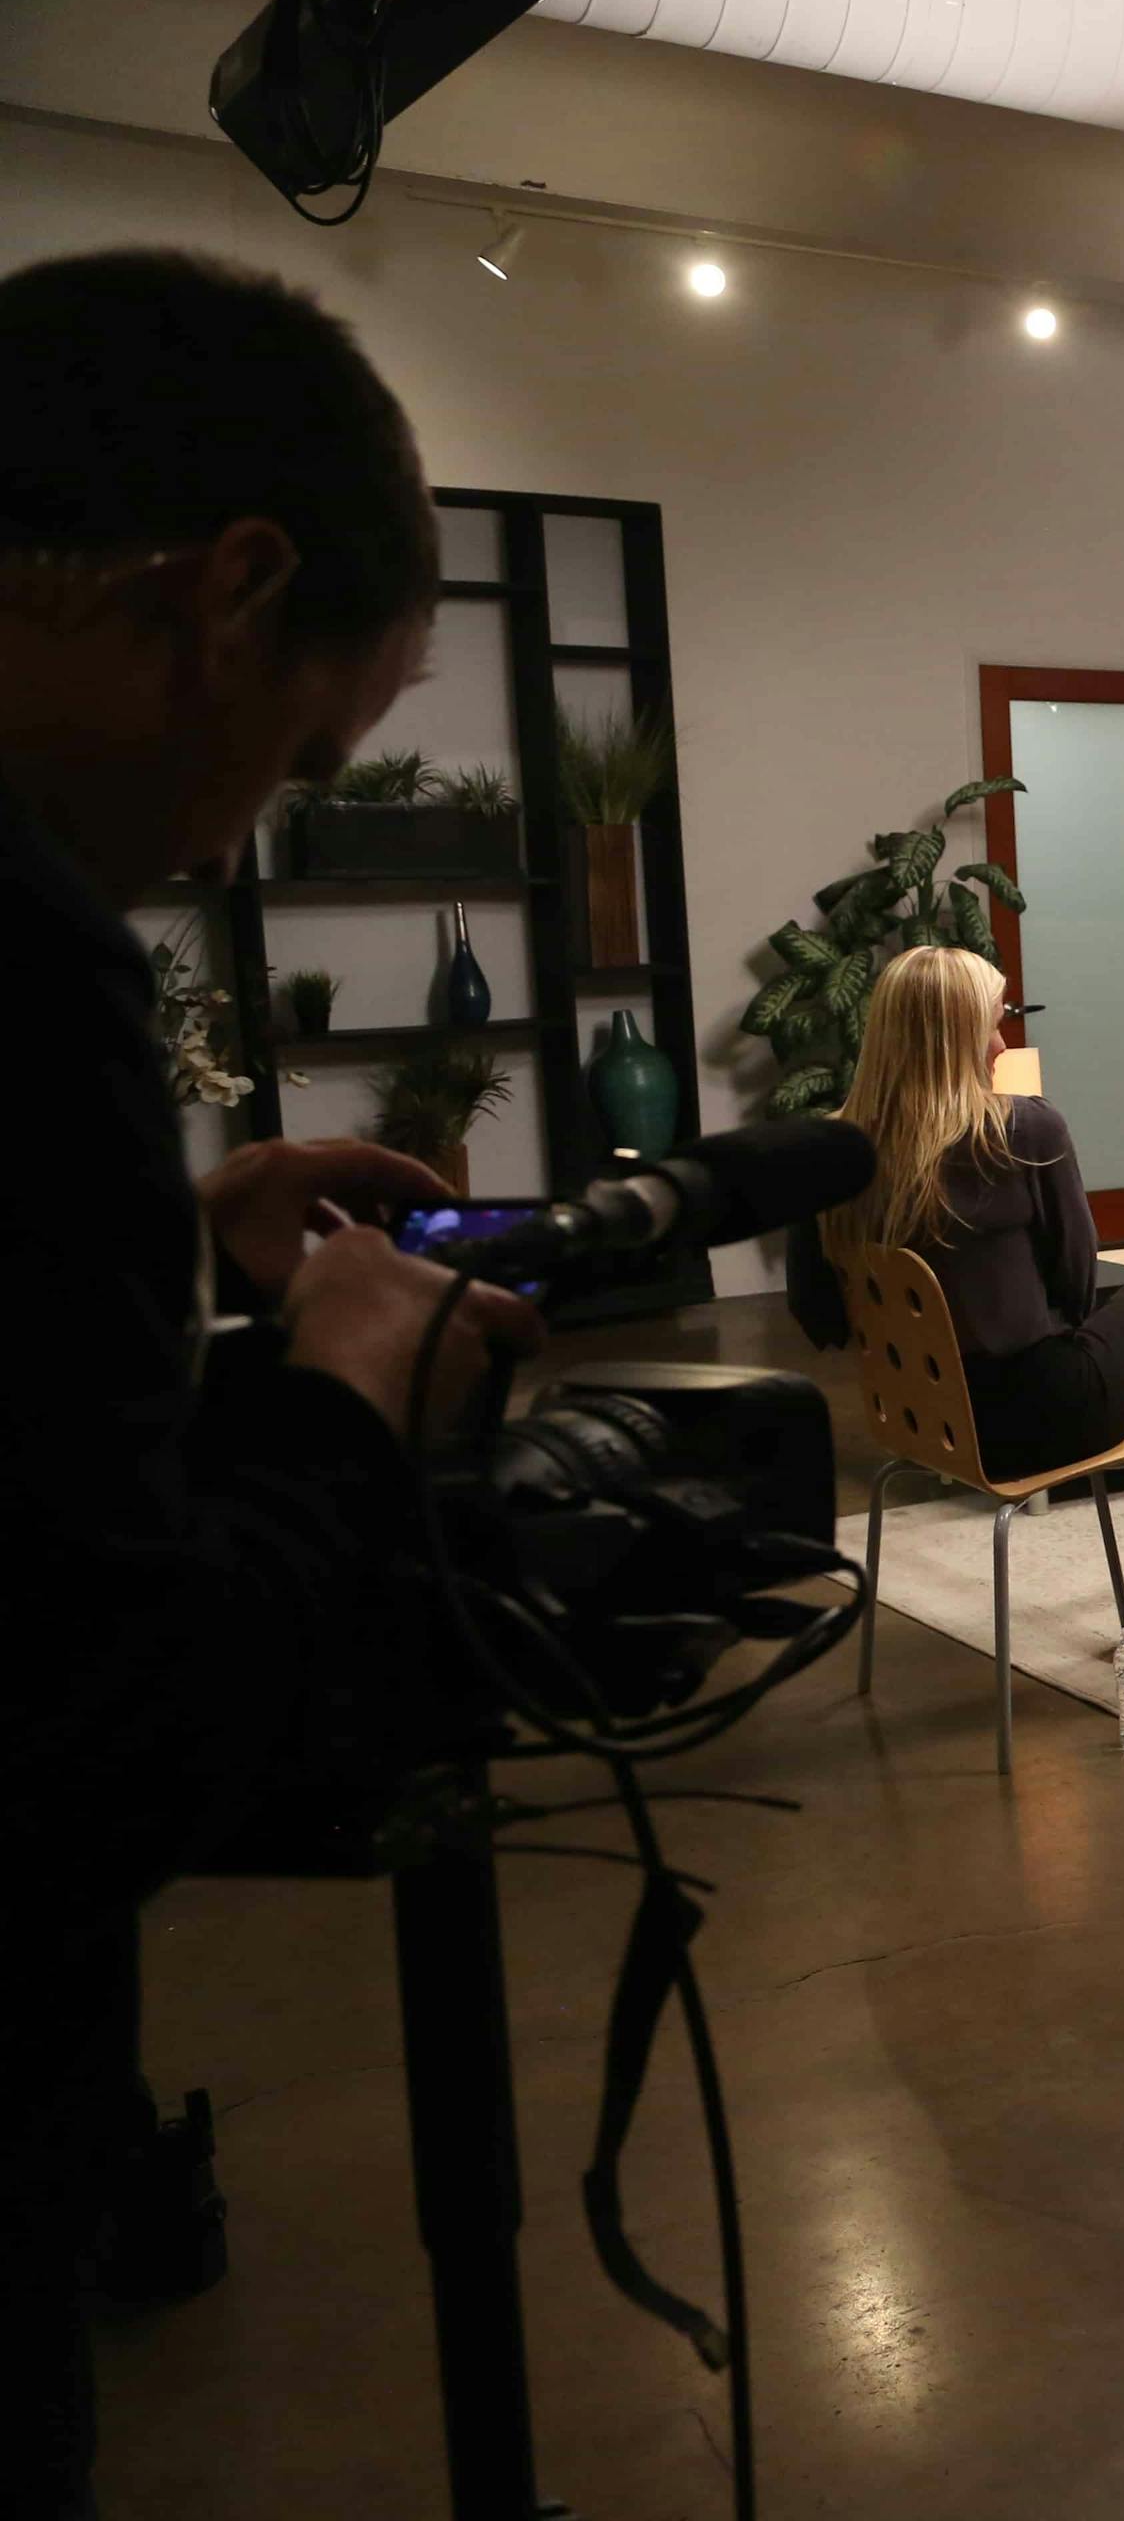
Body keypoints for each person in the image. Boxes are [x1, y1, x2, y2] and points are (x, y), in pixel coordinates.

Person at [0, 249, 545, 2520]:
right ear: (229, 587)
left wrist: (169, 1256)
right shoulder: (24, 950)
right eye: (304, 756)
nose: (237, 839)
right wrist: (338, 1402)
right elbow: (77, 1726)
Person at [787, 948, 1124, 1655]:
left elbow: (817, 1314)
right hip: (1032, 1417)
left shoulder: (824, 1150)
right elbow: (1076, 1284)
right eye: (991, 1025)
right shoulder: (1023, 1130)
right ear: (954, 1038)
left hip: (920, 1419)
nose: (1003, 1043)